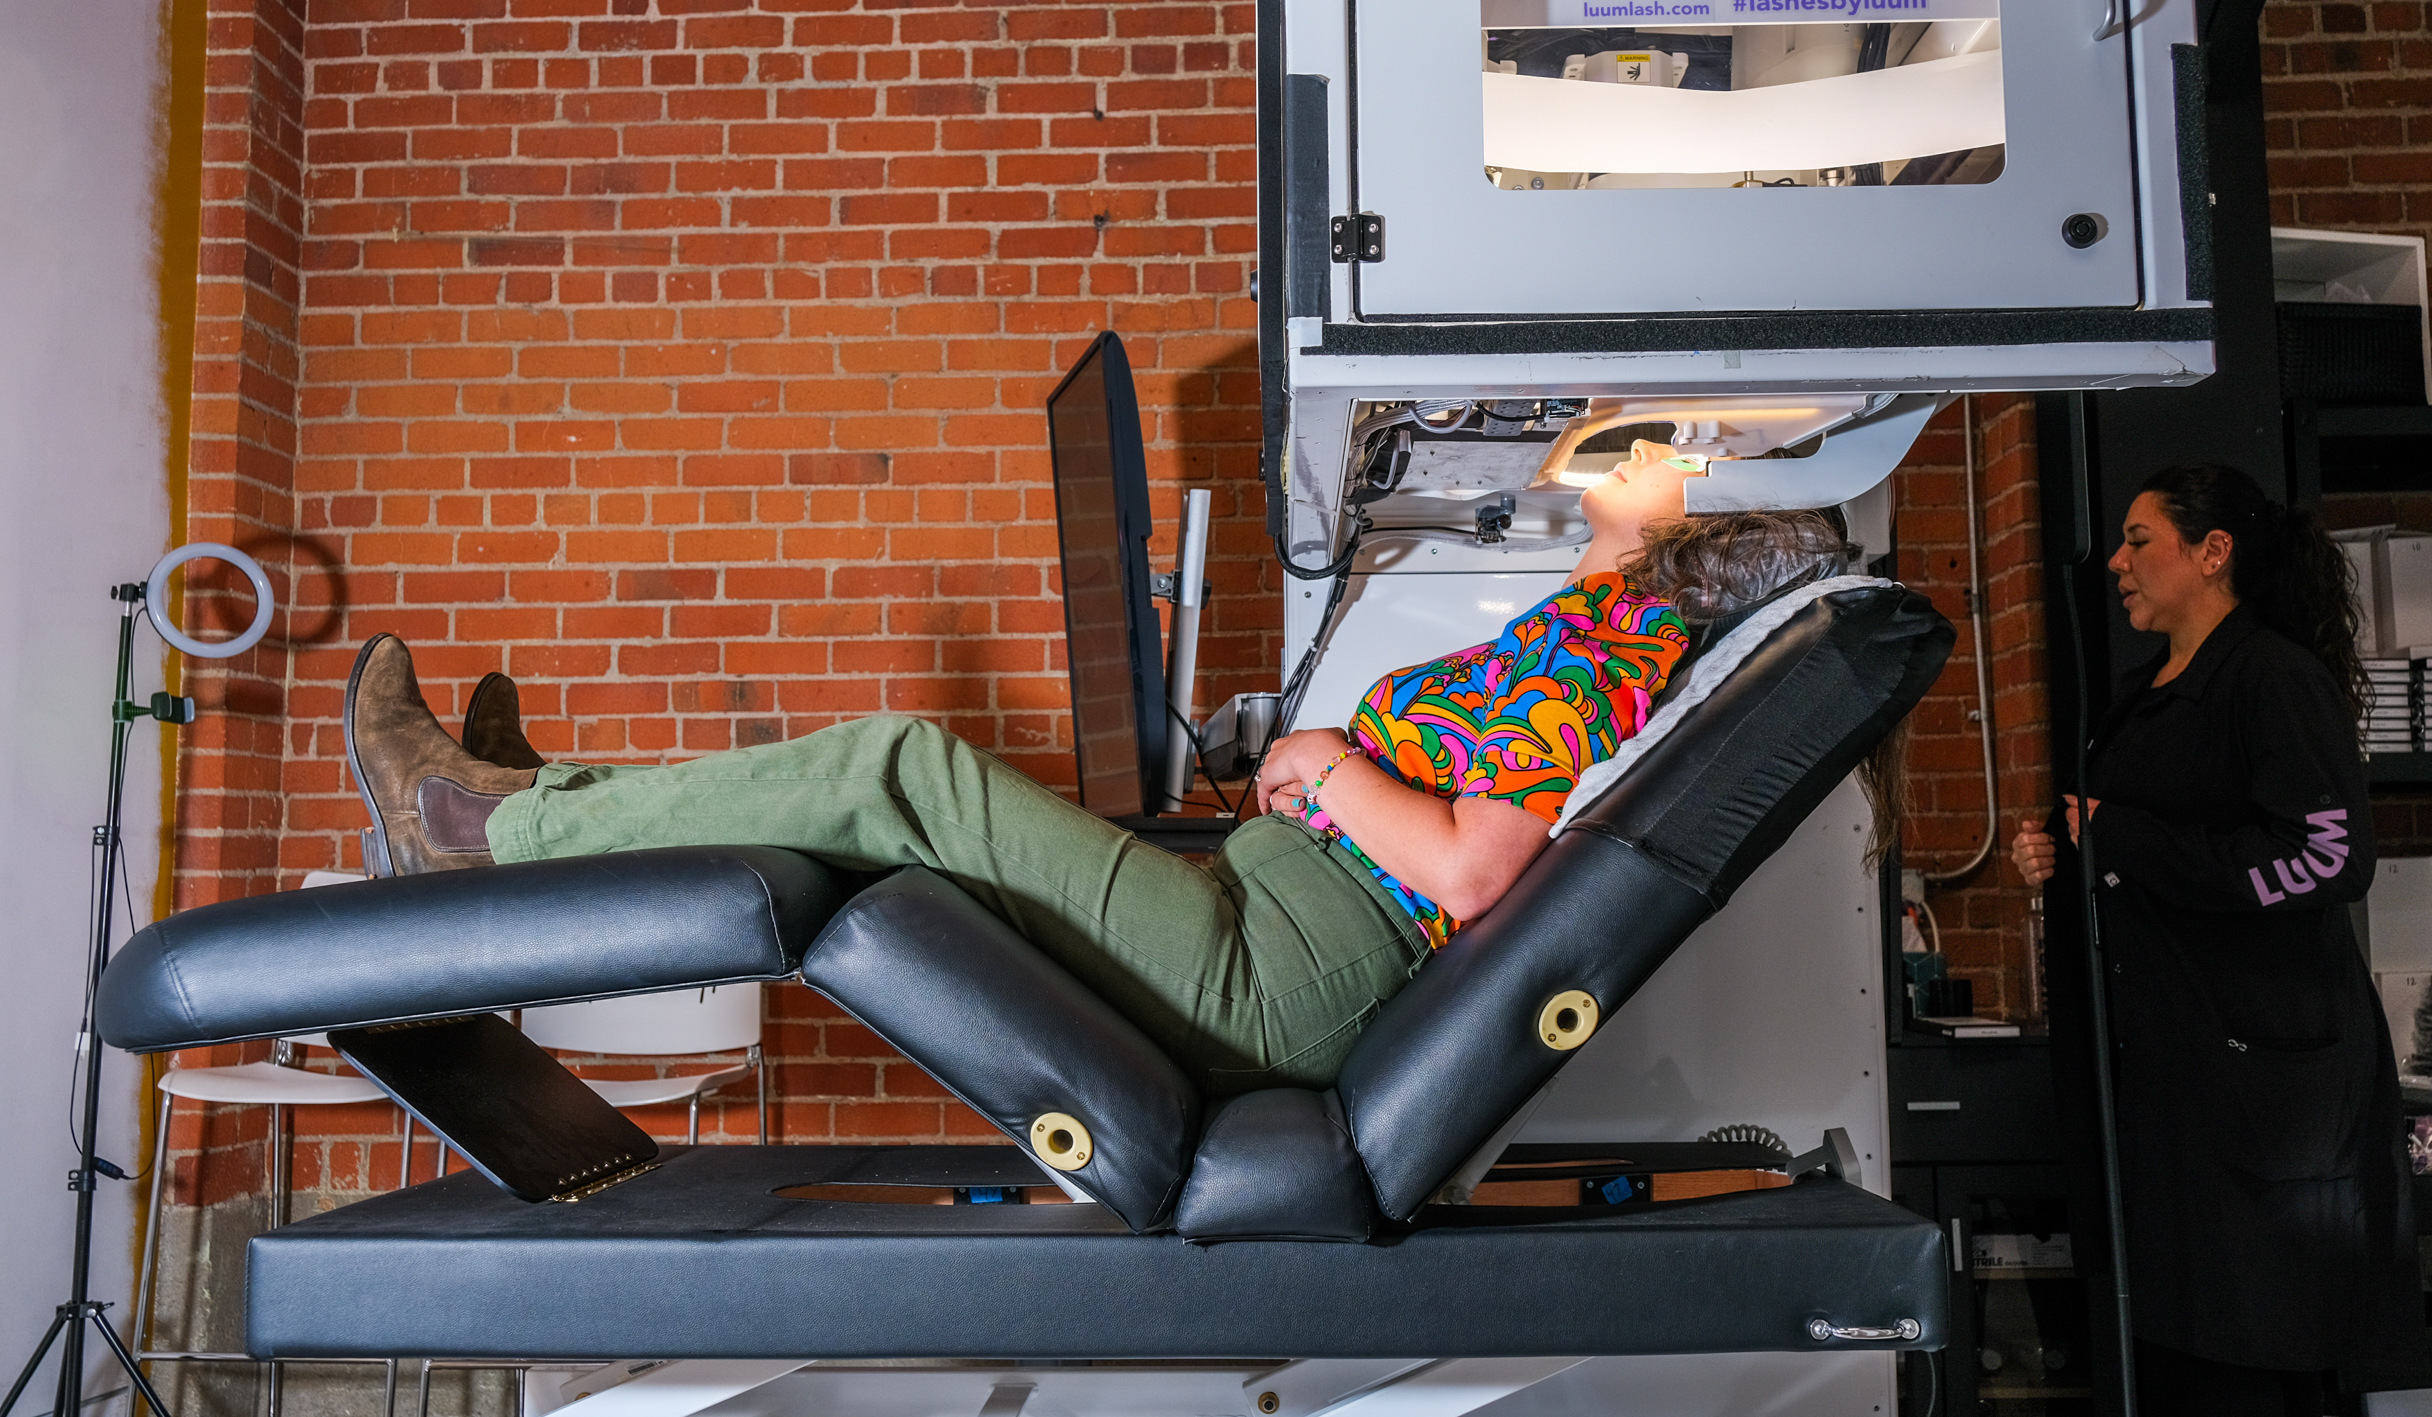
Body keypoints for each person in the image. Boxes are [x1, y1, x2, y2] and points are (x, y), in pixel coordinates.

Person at [344, 443, 1856, 1095]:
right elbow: (1449, 808)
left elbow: (1470, 871)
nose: (1619, 479)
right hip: (1284, 924)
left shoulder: (1604, 658)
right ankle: (537, 807)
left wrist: (1325, 771)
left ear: (1675, 556)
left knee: (898, 768)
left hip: (1285, 973)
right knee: (894, 801)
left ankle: (490, 823)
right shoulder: (1601, 626)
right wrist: (1307, 783)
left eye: (1650, 493)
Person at [2011, 464, 2403, 1417]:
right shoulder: (2152, 684)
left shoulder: (2271, 679)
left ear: (2211, 549)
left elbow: (2326, 856)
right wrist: (2067, 854)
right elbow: (2133, 844)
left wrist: (2122, 842)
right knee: (2180, 1356)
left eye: (2141, 539)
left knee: (2242, 1352)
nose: (2119, 561)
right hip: (2173, 1077)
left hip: (2261, 1092)